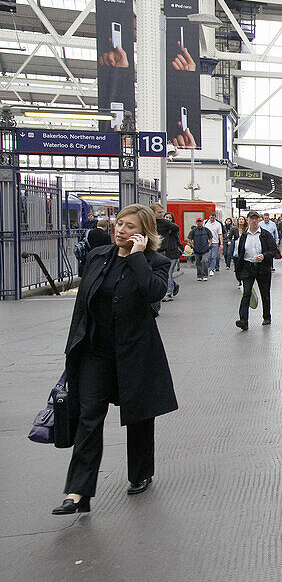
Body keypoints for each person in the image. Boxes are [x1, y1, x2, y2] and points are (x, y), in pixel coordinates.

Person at [51, 204, 178, 515]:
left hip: (136, 351)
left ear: (144, 233)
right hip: (97, 351)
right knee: (88, 417)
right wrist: (72, 352)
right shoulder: (97, 257)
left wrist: (137, 257)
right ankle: (78, 491)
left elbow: (153, 293)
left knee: (138, 415)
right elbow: (81, 307)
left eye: (130, 226)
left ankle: (140, 473)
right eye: (119, 224)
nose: (121, 230)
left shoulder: (155, 262)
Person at [235, 211, 278, 330]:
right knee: (246, 294)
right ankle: (243, 320)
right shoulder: (244, 236)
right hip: (248, 268)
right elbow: (240, 253)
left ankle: (266, 316)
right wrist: (238, 271)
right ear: (247, 220)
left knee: (265, 294)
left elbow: (273, 250)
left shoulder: (265, 234)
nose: (253, 221)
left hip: (262, 268)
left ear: (258, 220)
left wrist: (264, 256)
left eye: (255, 218)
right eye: (251, 218)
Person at [150, 203, 181, 302]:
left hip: (167, 252)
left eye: (162, 212)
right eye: (159, 212)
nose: (161, 214)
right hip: (154, 251)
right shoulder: (149, 222)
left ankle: (168, 293)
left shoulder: (165, 223)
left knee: (167, 273)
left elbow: (176, 228)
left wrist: (169, 233)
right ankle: (173, 286)